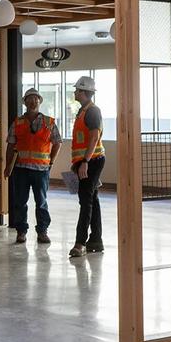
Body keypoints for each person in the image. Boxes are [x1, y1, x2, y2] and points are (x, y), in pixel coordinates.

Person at [3, 88, 61, 245]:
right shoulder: (18, 122)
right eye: (29, 99)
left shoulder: (49, 122)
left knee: (41, 201)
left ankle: (42, 231)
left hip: (41, 170)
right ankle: (21, 232)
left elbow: (57, 143)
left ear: (40, 102)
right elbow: (10, 145)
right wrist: (8, 166)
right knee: (20, 201)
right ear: (25, 102)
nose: (33, 101)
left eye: (35, 99)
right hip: (21, 169)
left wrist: (51, 161)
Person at [68, 76, 106, 258]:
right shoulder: (83, 111)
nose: (75, 92)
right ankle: (96, 240)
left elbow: (93, 138)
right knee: (92, 199)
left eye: (77, 90)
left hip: (91, 161)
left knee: (86, 202)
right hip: (86, 161)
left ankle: (80, 243)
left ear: (84, 92)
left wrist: (85, 162)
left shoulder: (92, 111)